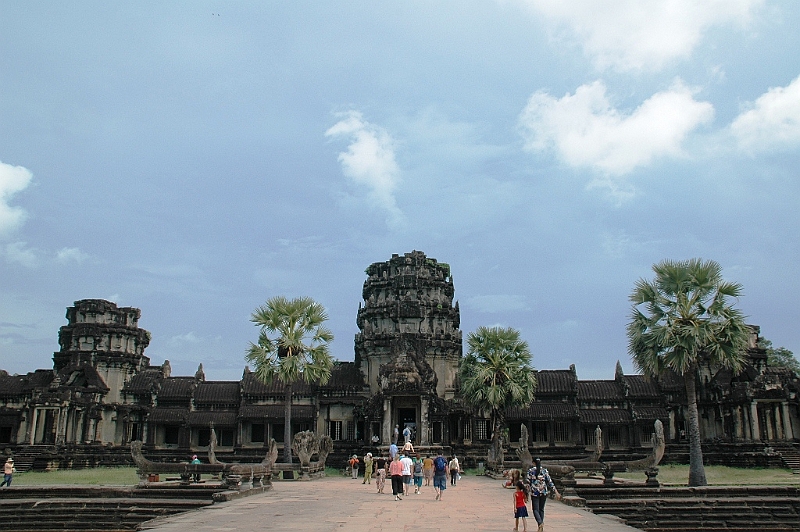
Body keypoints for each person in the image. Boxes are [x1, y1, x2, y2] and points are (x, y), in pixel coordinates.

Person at [526, 458, 560, 532]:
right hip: (544, 491)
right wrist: (556, 491)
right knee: (541, 509)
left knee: (535, 509)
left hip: (535, 492)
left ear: (533, 463)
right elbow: (550, 482)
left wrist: (526, 493)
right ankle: (540, 526)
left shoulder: (531, 471)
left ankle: (540, 523)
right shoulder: (544, 471)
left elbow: (528, 483)